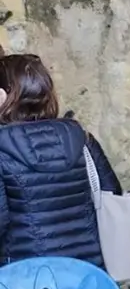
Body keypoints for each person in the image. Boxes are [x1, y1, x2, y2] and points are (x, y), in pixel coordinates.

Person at [0, 54, 122, 270]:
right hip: (87, 272)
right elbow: (112, 195)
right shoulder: (82, 139)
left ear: (2, 96)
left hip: (25, 277)